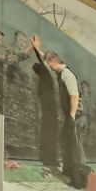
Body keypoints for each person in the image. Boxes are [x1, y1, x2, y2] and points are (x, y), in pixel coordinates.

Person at [43, 46, 92, 189]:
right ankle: (69, 172)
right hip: (71, 115)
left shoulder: (67, 74)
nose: (48, 67)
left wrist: (71, 117)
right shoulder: (60, 72)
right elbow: (46, 56)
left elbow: (75, 96)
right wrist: (37, 49)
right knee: (66, 142)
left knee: (74, 146)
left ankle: (80, 179)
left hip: (76, 115)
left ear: (53, 61)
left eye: (48, 63)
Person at [29, 32, 61, 176]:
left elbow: (45, 61)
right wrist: (36, 48)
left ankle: (51, 160)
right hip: (48, 107)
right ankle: (49, 160)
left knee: (52, 133)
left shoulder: (55, 73)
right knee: (49, 132)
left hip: (53, 108)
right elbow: (43, 60)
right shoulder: (48, 72)